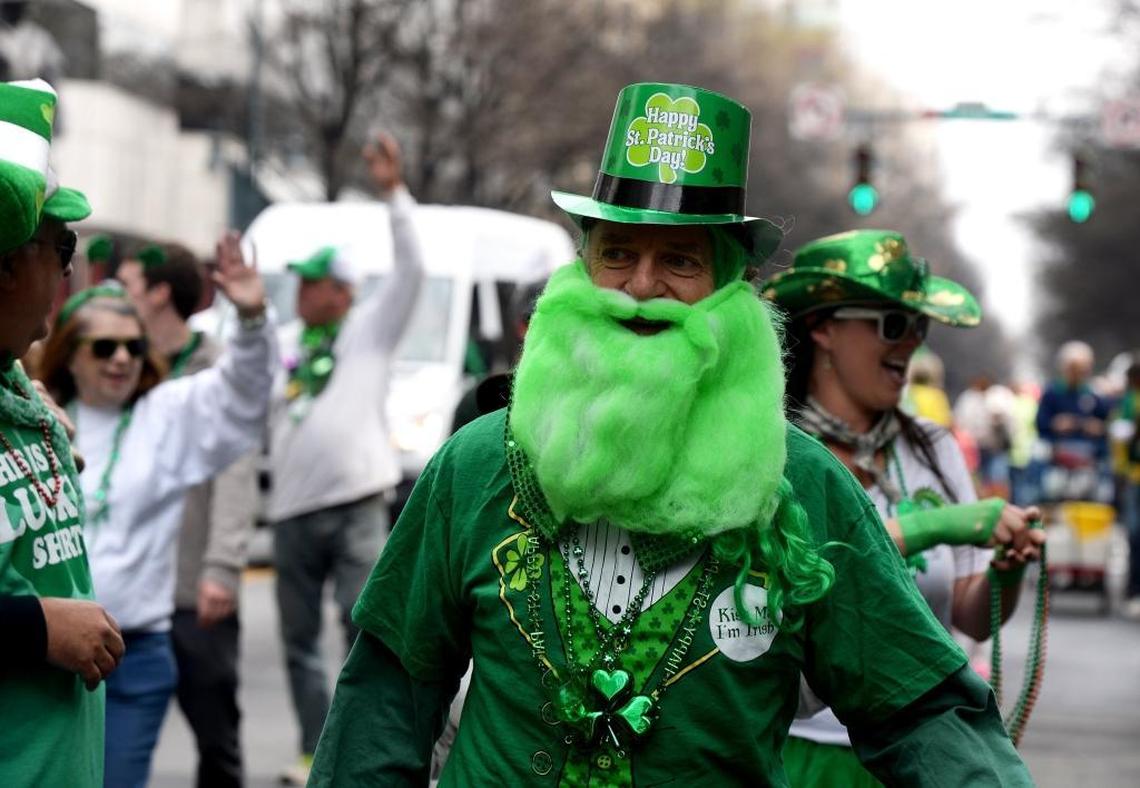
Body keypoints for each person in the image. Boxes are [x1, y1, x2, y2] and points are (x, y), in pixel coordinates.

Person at [308, 83, 1033, 786]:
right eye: (618, 253)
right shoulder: (474, 466)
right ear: (584, 266)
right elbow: (386, 697)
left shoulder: (802, 487)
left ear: (731, 285)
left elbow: (919, 707)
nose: (641, 286)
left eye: (680, 260)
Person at [761, 228, 1044, 786]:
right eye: (892, 325)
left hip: (912, 754)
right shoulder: (775, 454)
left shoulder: (934, 449)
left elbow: (969, 617)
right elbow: (799, 580)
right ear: (823, 328)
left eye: (919, 327)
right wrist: (936, 526)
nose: (912, 343)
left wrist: (1006, 572)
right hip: (797, 755)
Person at [35, 234, 274, 788]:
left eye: (133, 346)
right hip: (46, 657)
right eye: (104, 347)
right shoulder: (37, 417)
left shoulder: (165, 415)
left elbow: (242, 394)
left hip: (133, 655)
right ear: (70, 352)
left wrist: (253, 319)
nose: (121, 358)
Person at [268, 133, 425, 784]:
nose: (301, 291)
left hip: (357, 504)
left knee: (366, 633)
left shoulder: (369, 334)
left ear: (342, 291)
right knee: (299, 644)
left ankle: (362, 752)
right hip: (291, 514)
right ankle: (314, 752)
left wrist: (393, 193)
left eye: (313, 282)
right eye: (301, 281)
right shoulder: (286, 342)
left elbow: (412, 271)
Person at [0, 77, 124, 787]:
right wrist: (38, 629)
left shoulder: (19, 394)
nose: (67, 267)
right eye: (59, 243)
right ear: (8, 264)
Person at [118, 242, 258, 787]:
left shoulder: (217, 366)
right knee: (115, 739)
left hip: (193, 589)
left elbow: (236, 471)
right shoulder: (119, 364)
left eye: (127, 285)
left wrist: (221, 566)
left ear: (158, 294)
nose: (118, 296)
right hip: (131, 588)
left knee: (215, 734)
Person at [1036, 341, 1112, 503]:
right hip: (1057, 462)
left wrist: (1100, 428)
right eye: (1074, 368)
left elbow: (1107, 423)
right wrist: (1054, 424)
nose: (1079, 374)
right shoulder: (1052, 393)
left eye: (1083, 369)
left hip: (1088, 462)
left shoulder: (1093, 394)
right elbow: (1040, 423)